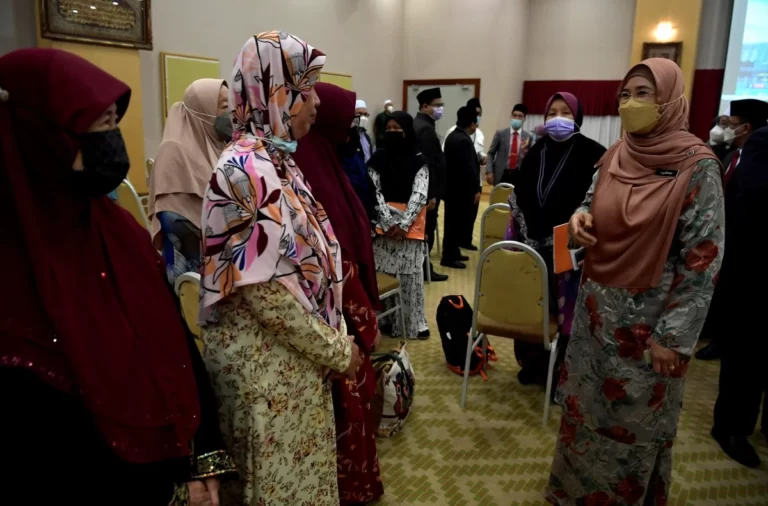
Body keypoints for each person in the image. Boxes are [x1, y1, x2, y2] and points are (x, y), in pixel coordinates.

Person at [0, 48, 236, 506]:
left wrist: (199, 454)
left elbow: (173, 342)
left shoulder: (118, 230)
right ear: (39, 136)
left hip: (164, 468)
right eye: (98, 126)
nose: (112, 142)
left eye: (113, 123)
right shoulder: (14, 263)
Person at [548, 59, 724, 505]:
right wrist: (579, 220)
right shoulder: (615, 154)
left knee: (634, 424)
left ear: (670, 100)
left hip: (649, 326)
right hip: (595, 314)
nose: (630, 103)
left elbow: (702, 259)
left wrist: (674, 337)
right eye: (625, 95)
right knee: (584, 412)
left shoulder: (697, 166)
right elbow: (589, 203)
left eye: (643, 93)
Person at [199, 32, 363, 505]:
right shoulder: (245, 170)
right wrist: (337, 349)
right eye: (305, 89)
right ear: (274, 93)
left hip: (291, 366)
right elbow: (266, 295)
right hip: (266, 377)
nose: (316, 102)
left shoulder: (276, 161)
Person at [292, 82, 385, 504]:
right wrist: (361, 316)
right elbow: (333, 251)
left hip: (341, 304)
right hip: (330, 311)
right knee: (343, 400)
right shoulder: (307, 163)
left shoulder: (324, 156)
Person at [504, 93, 605, 387]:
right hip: (532, 245)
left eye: (566, 113)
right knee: (533, 305)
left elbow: (598, 202)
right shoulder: (536, 150)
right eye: (552, 113)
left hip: (570, 249)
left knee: (568, 314)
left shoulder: (594, 153)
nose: (558, 118)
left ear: (578, 118)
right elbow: (519, 195)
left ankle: (562, 374)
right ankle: (533, 365)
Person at [710, 126, 768, 468]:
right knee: (747, 356)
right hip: (755, 273)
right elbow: (754, 193)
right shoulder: (763, 141)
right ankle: (731, 428)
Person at [694, 98, 768, 362]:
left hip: (742, 240)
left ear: (745, 127)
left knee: (734, 292)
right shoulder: (728, 155)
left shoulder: (758, 156)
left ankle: (722, 341)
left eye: (730, 124)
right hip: (718, 235)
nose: (724, 129)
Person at [148, 78, 229, 285]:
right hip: (193, 275)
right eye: (225, 106)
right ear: (203, 110)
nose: (233, 113)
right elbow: (173, 220)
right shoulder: (174, 150)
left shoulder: (221, 146)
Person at [368, 111, 431, 339]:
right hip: (383, 230)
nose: (392, 132)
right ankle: (387, 321)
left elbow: (420, 195)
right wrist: (388, 222)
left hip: (410, 229)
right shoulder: (377, 158)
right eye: (389, 128)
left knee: (409, 277)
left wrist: (403, 224)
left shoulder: (419, 159)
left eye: (397, 128)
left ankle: (412, 324)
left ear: (408, 131)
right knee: (384, 272)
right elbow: (373, 191)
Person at [414, 87, 448, 281]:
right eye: (437, 105)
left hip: (421, 190)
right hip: (428, 192)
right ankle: (425, 269)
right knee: (426, 230)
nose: (440, 108)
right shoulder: (425, 129)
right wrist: (431, 194)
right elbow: (428, 165)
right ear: (425, 106)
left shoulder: (418, 123)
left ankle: (422, 267)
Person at [441, 106, 481, 269]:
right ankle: (449, 256)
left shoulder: (454, 136)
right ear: (471, 123)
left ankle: (454, 251)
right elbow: (468, 168)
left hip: (453, 188)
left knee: (454, 222)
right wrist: (476, 189)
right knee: (454, 223)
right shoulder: (463, 140)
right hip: (460, 190)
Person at [487, 104, 532, 185]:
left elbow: (530, 158)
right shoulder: (500, 134)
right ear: (511, 116)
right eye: (514, 115)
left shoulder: (528, 137)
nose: (516, 118)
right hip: (502, 173)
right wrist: (489, 171)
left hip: (518, 174)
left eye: (520, 116)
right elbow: (491, 153)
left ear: (524, 119)